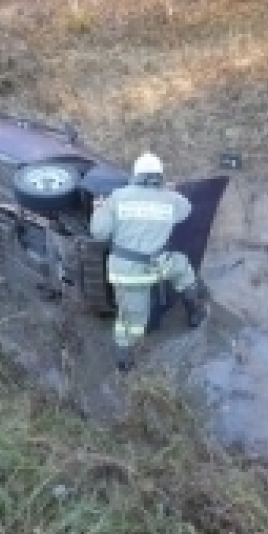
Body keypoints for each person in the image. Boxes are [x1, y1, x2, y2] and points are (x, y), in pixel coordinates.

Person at [90, 151, 206, 372]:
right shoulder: (171, 200)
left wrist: (98, 209)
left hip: (127, 272)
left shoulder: (117, 197)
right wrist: (170, 193)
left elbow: (99, 233)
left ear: (135, 175)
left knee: (132, 322)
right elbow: (187, 211)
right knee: (182, 268)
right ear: (160, 177)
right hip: (158, 265)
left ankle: (124, 361)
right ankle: (195, 312)